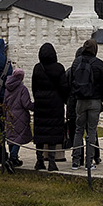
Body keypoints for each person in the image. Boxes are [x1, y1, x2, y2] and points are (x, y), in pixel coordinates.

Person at [67, 38, 103, 169]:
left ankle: (75, 161)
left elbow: (70, 81)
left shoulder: (76, 62)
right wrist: (100, 99)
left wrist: (76, 95)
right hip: (94, 100)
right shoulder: (99, 64)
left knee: (78, 130)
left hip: (80, 101)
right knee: (91, 130)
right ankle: (89, 161)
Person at [30, 42, 69, 171]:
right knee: (53, 132)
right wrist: (64, 100)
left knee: (40, 132)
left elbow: (34, 87)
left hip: (41, 103)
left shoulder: (37, 68)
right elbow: (64, 87)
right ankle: (52, 162)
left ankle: (39, 160)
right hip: (55, 103)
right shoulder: (59, 68)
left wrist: (39, 98)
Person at [3, 66, 33, 167]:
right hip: (20, 116)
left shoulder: (7, 88)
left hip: (9, 114)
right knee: (18, 138)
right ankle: (13, 157)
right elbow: (26, 104)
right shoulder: (22, 88)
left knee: (12, 137)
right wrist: (35, 107)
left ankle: (13, 158)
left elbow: (4, 103)